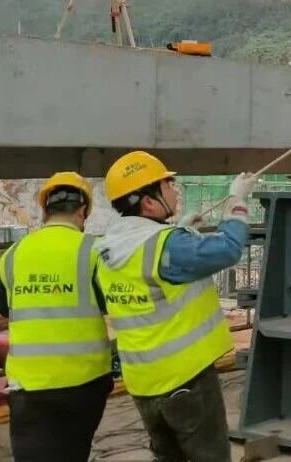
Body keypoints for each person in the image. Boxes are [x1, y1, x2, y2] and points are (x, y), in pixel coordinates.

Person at [96, 151, 257, 462]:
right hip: (185, 380)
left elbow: (154, 271)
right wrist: (236, 201)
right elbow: (228, 249)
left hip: (143, 383)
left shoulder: (109, 247)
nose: (175, 189)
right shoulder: (166, 245)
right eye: (167, 184)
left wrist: (180, 232)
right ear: (148, 202)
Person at [0, 172, 112, 462]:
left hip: (27, 385)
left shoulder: (13, 254)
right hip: (83, 382)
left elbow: (4, 307)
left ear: (45, 210)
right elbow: (109, 302)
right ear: (83, 211)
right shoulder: (93, 250)